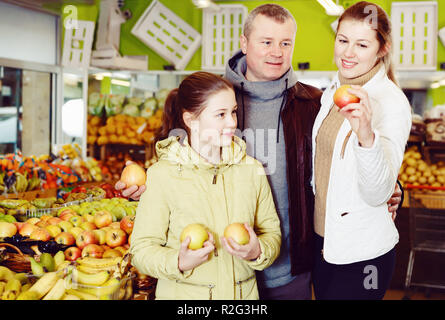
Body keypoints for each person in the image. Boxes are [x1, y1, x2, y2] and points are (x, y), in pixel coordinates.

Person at [117, 3, 403, 300]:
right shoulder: (216, 99)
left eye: (285, 43)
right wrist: (145, 187)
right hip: (216, 270)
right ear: (244, 43)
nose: (276, 52)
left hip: (290, 267)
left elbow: (341, 160)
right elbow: (174, 158)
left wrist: (393, 190)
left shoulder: (313, 104)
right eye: (266, 42)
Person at [129, 71, 281, 300]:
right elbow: (141, 250)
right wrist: (179, 261)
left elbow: (272, 232)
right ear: (191, 120)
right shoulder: (162, 175)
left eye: (233, 112)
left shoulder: (253, 170)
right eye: (220, 114)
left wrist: (258, 250)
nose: (232, 122)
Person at [311, 1, 411, 300]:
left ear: (382, 49)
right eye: (342, 40)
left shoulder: (391, 104)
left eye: (362, 44)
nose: (348, 52)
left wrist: (366, 135)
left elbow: (378, 192)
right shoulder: (332, 93)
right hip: (325, 242)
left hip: (363, 254)